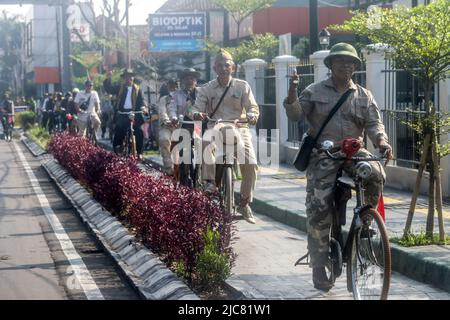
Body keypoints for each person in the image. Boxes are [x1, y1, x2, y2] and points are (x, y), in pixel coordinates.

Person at [284, 42, 393, 291]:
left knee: (375, 173)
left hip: (354, 152)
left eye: (351, 62)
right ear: (331, 65)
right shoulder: (314, 91)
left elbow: (375, 124)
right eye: (341, 61)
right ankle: (319, 264)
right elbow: (295, 115)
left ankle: (366, 221)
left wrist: (382, 142)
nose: (347, 65)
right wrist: (292, 91)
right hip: (324, 154)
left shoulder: (364, 95)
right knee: (319, 205)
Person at [192, 49, 259, 224]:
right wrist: (197, 114)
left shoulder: (242, 86)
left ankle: (245, 203)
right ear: (215, 68)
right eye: (220, 65)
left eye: (227, 65)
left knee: (251, 162)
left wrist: (252, 114)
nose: (223, 68)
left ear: (233, 68)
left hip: (239, 127)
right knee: (205, 142)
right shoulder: (206, 88)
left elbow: (253, 107)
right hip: (215, 126)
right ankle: (209, 184)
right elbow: (195, 108)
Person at [103, 68, 146, 159]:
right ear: (124, 78)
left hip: (134, 113)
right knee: (119, 130)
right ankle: (117, 149)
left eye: (130, 76)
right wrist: (108, 77)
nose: (129, 78)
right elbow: (109, 89)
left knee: (139, 131)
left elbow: (142, 100)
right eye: (127, 76)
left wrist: (143, 107)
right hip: (122, 113)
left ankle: (139, 152)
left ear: (133, 78)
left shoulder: (138, 89)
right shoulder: (120, 88)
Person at [158, 78, 179, 174]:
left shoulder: (183, 97)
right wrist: (167, 121)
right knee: (164, 139)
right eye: (171, 85)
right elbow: (162, 111)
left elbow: (189, 109)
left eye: (175, 85)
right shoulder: (163, 99)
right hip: (167, 126)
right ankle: (168, 168)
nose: (173, 87)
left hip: (181, 126)